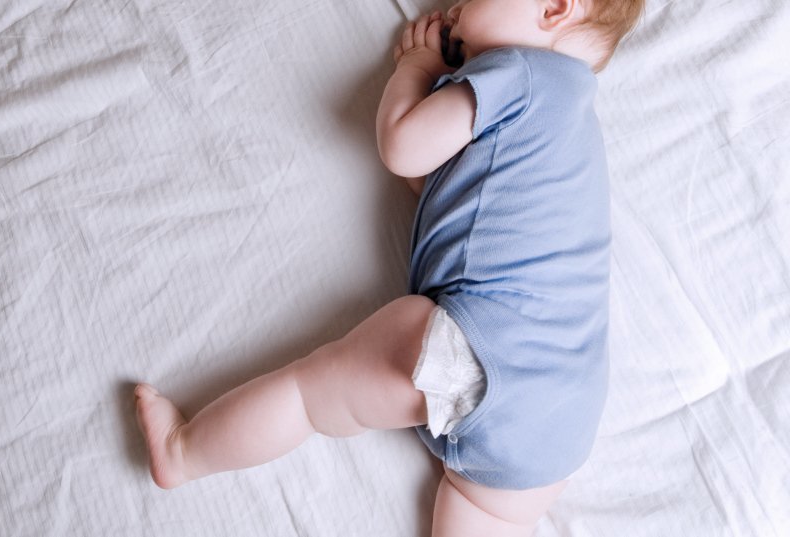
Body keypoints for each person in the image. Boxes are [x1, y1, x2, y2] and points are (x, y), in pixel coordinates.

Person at [134, 0, 644, 534]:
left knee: (309, 397)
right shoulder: (571, 121)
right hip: (561, 424)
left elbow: (405, 149)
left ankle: (185, 451)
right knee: (481, 513)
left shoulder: (519, 71)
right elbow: (448, 190)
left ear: (555, 8)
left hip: (473, 347)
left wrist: (417, 70)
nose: (454, 6)